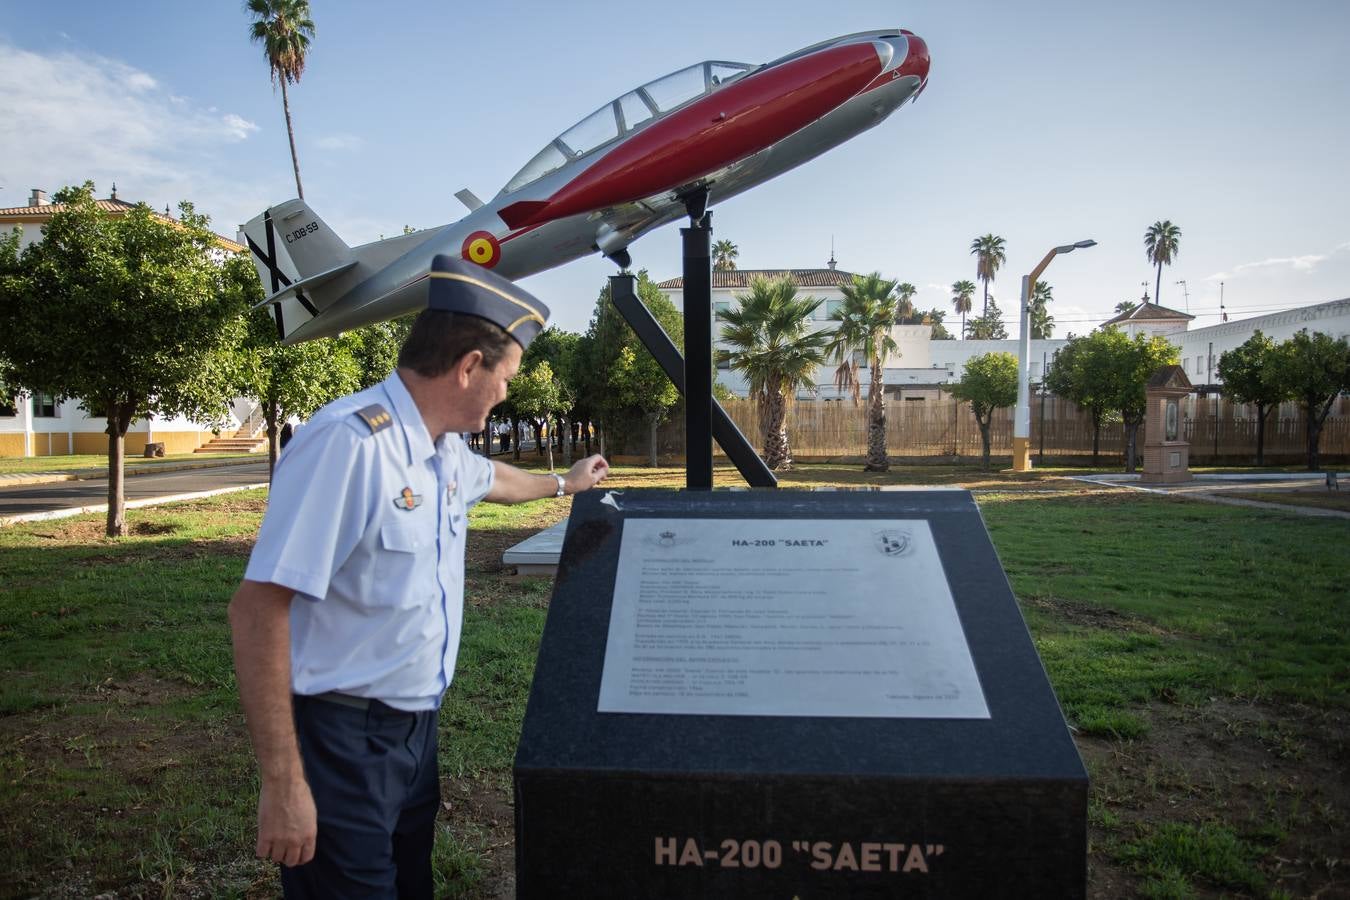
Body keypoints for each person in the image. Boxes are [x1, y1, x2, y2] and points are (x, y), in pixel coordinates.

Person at [228, 255, 609, 898]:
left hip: (413, 735)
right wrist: (285, 782)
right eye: (507, 376)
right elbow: (258, 609)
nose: (508, 392)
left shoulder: (441, 449)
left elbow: (499, 483)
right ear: (468, 367)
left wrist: (563, 484)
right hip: (340, 742)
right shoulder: (351, 445)